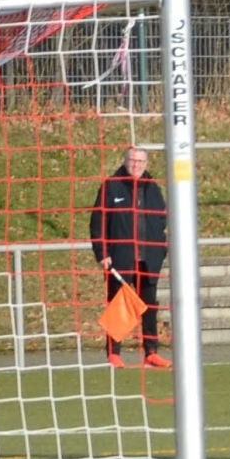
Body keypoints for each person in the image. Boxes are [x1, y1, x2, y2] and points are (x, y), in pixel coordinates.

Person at [88, 145, 170, 369]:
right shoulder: (111, 186)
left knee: (149, 306)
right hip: (121, 258)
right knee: (118, 305)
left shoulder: (153, 188)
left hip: (149, 258)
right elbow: (98, 222)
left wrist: (160, 247)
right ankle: (114, 354)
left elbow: (161, 219)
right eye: (132, 161)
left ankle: (151, 352)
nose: (136, 165)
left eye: (140, 161)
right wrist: (102, 252)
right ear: (125, 161)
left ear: (146, 163)